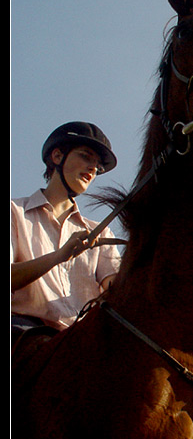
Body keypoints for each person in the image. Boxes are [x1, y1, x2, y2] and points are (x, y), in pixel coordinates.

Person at [11, 122, 122, 343]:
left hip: (82, 338)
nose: (93, 169)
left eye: (97, 166)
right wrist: (59, 256)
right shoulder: (15, 212)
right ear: (57, 156)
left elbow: (116, 288)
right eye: (86, 156)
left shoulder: (99, 231)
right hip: (25, 332)